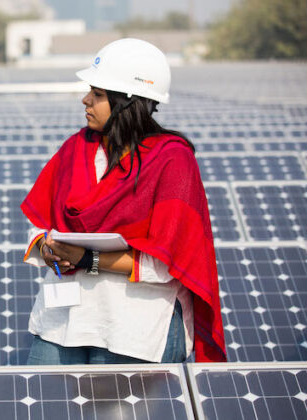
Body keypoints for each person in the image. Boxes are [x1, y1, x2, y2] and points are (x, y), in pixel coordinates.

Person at [21, 38, 226, 364]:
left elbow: (168, 262)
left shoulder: (172, 161)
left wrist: (88, 259)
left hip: (132, 330)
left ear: (127, 102)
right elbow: (39, 222)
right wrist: (47, 250)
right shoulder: (76, 148)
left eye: (98, 94)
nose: (85, 99)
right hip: (60, 324)